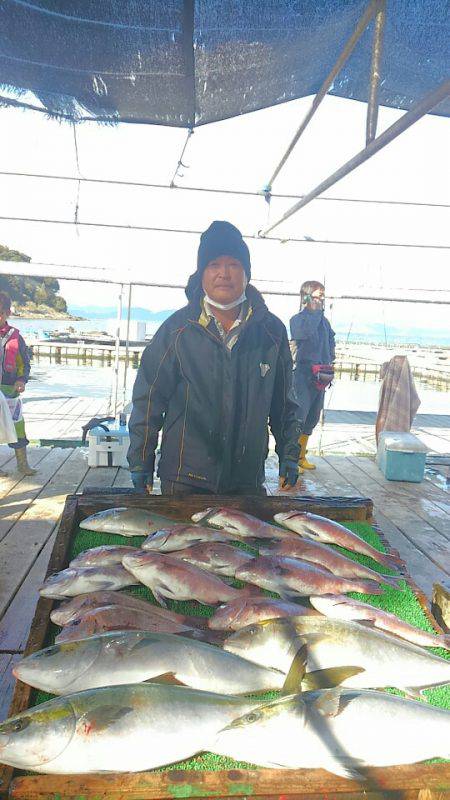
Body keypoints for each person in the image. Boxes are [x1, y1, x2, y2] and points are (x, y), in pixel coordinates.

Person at [128, 220, 300, 495]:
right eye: (214, 265)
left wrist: (289, 454)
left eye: (233, 264)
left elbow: (284, 403)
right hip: (185, 480)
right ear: (201, 274)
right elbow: (148, 400)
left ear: (246, 273)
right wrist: (140, 460)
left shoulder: (271, 332)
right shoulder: (176, 330)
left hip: (246, 481)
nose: (224, 274)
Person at [289, 280, 335, 472]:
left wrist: (330, 361)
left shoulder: (325, 322)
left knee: (312, 417)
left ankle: (301, 456)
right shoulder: (297, 320)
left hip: (321, 376)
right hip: (303, 375)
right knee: (299, 415)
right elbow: (304, 334)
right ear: (307, 296)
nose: (321, 299)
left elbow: (331, 340)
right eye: (318, 295)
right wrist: (314, 312)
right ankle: (290, 459)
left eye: (323, 295)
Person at [0, 291, 36, 475]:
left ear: (8, 313)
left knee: (17, 426)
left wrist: (22, 380)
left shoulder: (15, 336)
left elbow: (24, 362)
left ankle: (22, 464)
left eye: (0, 313)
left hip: (9, 391)